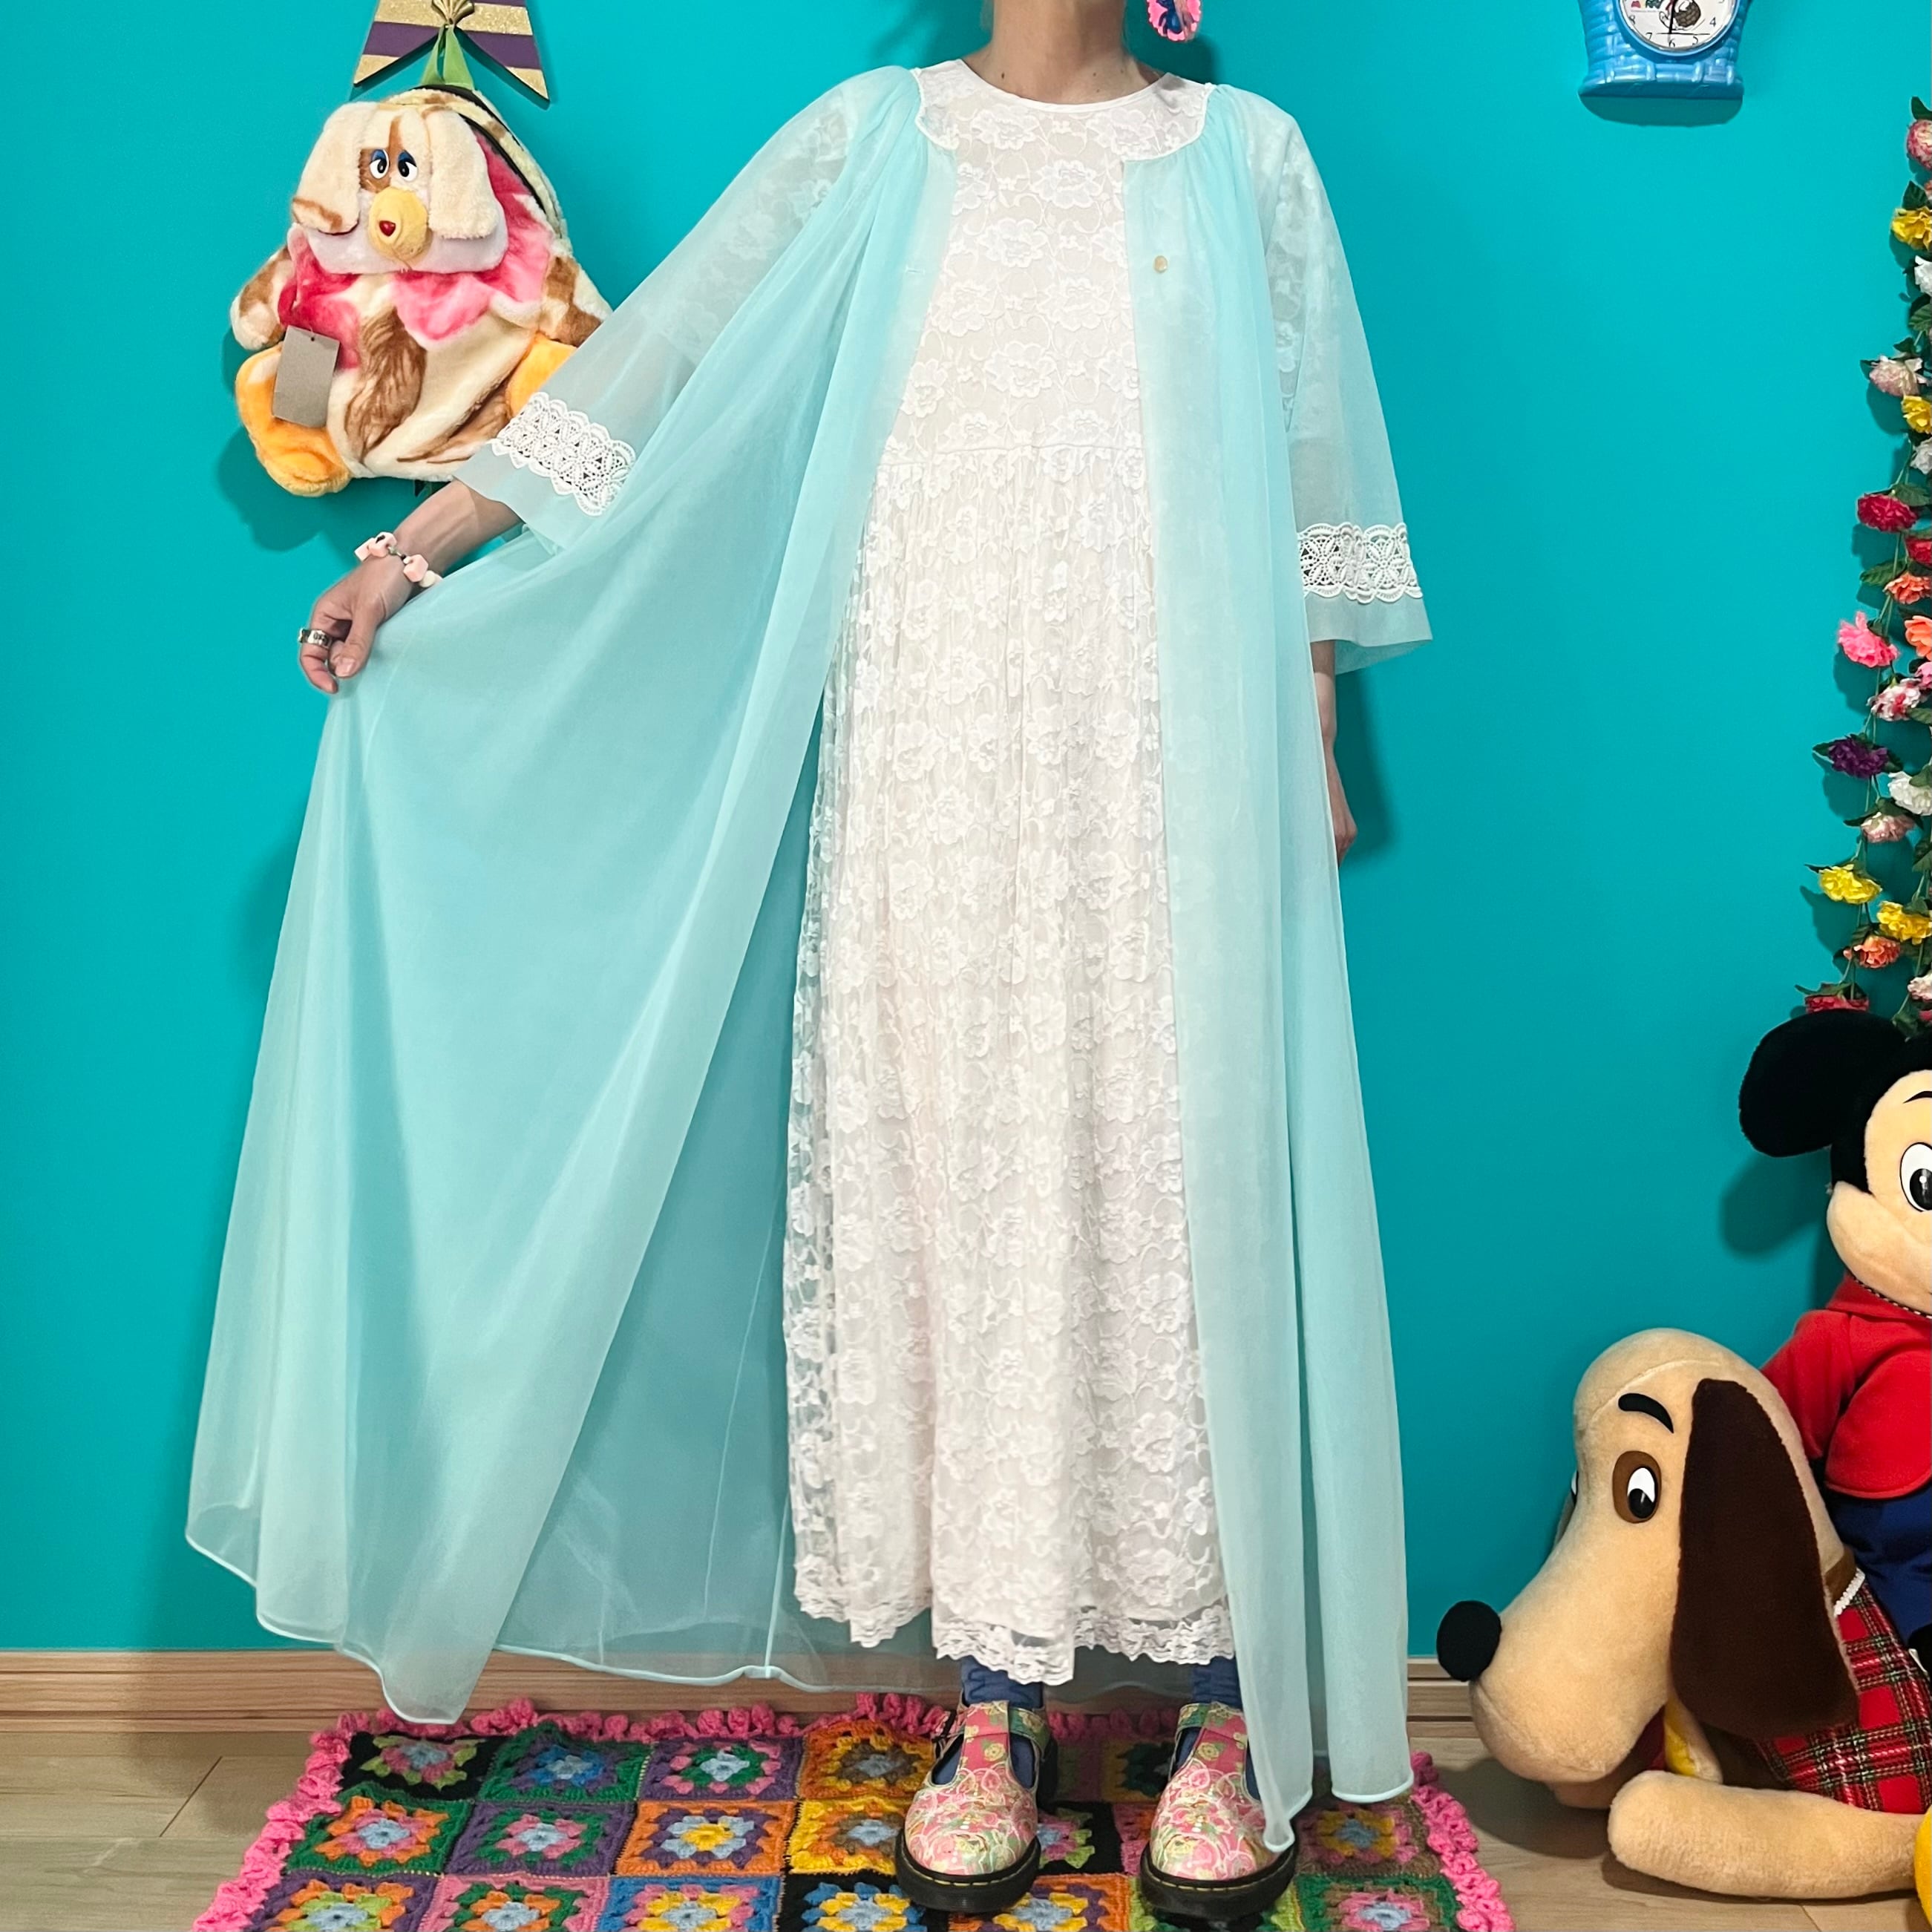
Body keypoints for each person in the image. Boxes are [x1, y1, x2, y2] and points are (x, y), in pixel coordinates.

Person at [191, 0, 1430, 1917]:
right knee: (952, 1200)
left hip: (1168, 769)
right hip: (929, 768)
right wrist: (417, 554)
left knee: (1178, 1201)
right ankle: (995, 1712)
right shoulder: (871, 143)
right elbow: (649, 383)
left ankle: (1217, 1708)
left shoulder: (1243, 156)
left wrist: (1313, 724)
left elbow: (1304, 463)